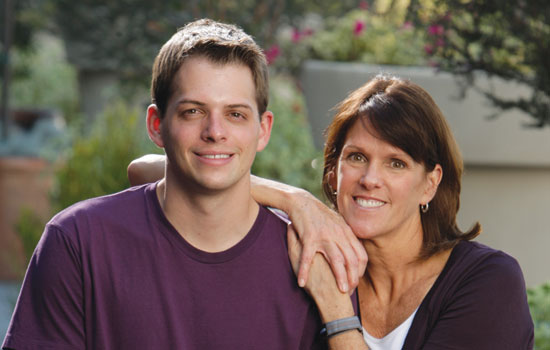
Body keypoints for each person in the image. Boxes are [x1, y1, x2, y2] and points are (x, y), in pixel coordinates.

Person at [2, 19, 365, 350]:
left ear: (263, 130)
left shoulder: (310, 262)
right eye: (193, 111)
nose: (215, 132)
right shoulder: (78, 243)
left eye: (235, 114)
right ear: (157, 124)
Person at [129, 75, 535, 349]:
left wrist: (337, 310)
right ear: (334, 171)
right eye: (356, 157)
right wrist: (295, 200)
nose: (370, 179)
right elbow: (146, 169)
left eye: (396, 163)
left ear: (429, 183)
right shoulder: (311, 244)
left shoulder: (487, 284)